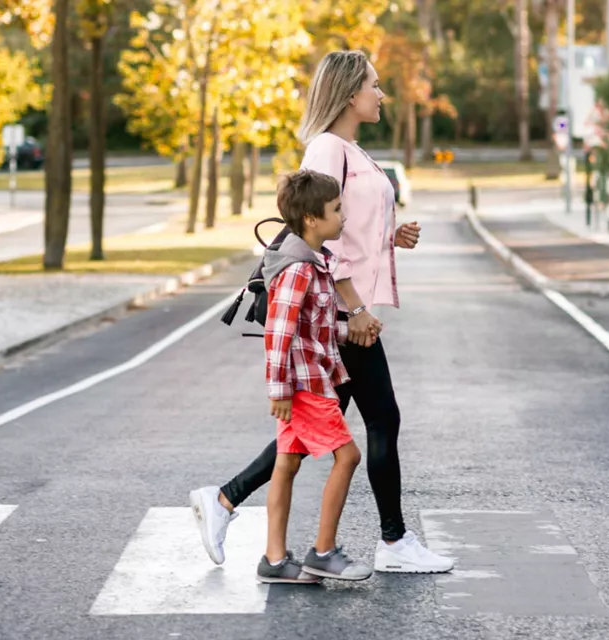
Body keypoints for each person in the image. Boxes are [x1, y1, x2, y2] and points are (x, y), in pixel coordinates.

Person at [190, 50, 454, 575]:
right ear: (350, 91)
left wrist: (389, 237)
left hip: (344, 310)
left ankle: (222, 501)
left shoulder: (350, 149)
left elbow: (344, 227)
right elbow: (314, 232)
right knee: (379, 418)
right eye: (375, 86)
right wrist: (354, 307)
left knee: (315, 429)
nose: (382, 94)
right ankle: (392, 542)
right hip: (335, 314)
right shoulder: (326, 148)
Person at [254, 169, 371, 584]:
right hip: (304, 387)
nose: (343, 216)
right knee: (349, 456)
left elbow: (310, 329)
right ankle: (323, 552)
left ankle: (273, 560)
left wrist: (349, 330)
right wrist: (279, 389)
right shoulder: (299, 269)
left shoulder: (314, 263)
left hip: (307, 379)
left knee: (285, 464)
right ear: (311, 219)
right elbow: (278, 330)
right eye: (336, 209)